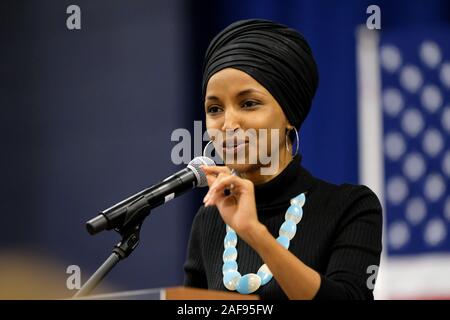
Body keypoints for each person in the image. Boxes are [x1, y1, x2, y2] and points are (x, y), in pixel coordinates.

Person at [183, 19, 382, 300]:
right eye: (214, 109)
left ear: (289, 115)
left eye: (249, 103)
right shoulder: (209, 220)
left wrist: (255, 233)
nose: (227, 124)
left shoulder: (351, 206)